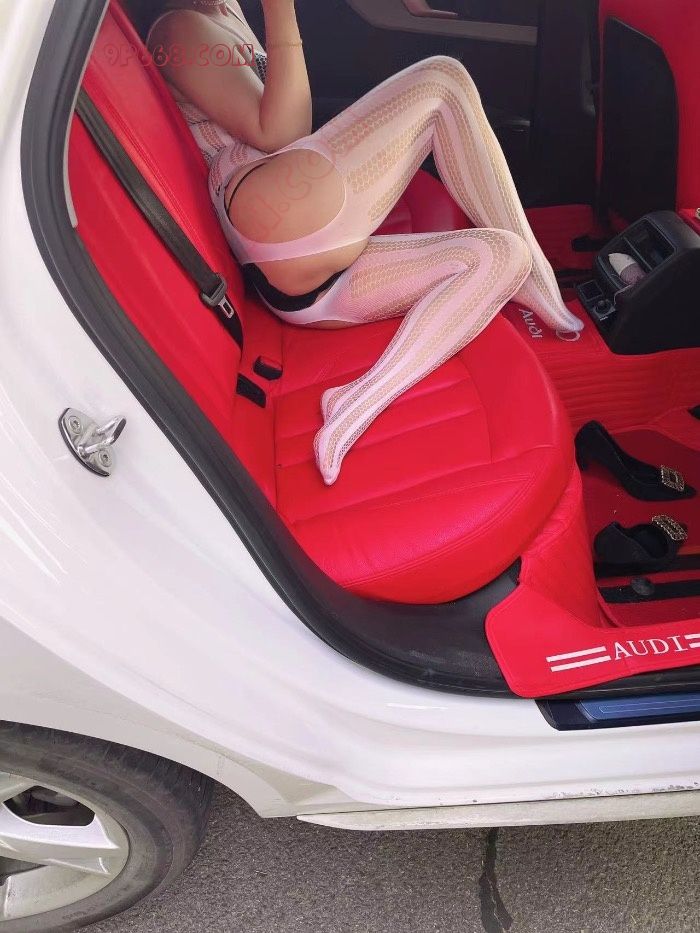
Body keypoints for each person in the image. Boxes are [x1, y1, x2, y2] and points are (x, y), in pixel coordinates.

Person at [141, 0, 583, 484]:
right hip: (267, 211)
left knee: (499, 255)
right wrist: (281, 10)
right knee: (444, 80)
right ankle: (543, 283)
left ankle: (354, 405)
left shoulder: (223, 8)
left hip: (298, 282)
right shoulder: (178, 28)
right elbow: (281, 131)